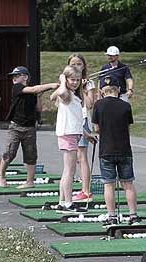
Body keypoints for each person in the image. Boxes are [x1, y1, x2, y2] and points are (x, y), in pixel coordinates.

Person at [0, 66, 59, 188]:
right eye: (13, 76)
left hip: (30, 128)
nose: (13, 78)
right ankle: (1, 175)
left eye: (16, 76)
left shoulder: (32, 92)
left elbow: (38, 109)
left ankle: (30, 182)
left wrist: (39, 97)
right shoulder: (17, 88)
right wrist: (51, 85)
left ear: (25, 77)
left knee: (31, 155)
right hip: (15, 127)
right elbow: (34, 89)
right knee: (10, 153)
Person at [93, 77, 140, 226]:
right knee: (128, 184)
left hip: (106, 150)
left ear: (102, 91)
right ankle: (133, 215)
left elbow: (96, 128)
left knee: (109, 185)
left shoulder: (98, 105)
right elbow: (127, 127)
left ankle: (112, 216)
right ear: (119, 90)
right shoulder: (126, 105)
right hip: (124, 150)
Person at [50, 65, 97, 212]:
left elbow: (76, 120)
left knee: (67, 170)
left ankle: (62, 201)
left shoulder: (75, 96)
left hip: (73, 133)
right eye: (72, 79)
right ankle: (68, 203)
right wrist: (62, 79)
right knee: (70, 171)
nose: (75, 82)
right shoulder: (67, 94)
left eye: (77, 80)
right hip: (68, 135)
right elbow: (62, 91)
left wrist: (86, 134)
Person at [67, 53, 98, 203]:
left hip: (83, 119)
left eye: (79, 64)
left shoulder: (88, 83)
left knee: (81, 156)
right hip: (70, 120)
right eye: (73, 64)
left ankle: (86, 191)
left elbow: (90, 104)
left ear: (83, 66)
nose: (76, 66)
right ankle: (81, 188)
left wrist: (84, 88)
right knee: (75, 158)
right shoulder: (69, 82)